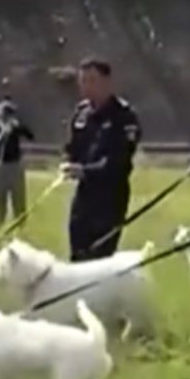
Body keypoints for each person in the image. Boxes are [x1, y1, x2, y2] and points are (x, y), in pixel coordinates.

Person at [60, 58, 141, 261]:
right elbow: (73, 148)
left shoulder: (124, 117)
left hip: (109, 198)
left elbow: (118, 162)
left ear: (107, 82)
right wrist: (68, 162)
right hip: (84, 195)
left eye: (92, 80)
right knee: (77, 254)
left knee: (99, 258)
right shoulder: (81, 114)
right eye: (83, 80)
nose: (86, 86)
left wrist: (85, 171)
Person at [0, 97, 34, 228]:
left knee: (18, 197)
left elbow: (30, 136)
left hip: (15, 165)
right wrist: (2, 134)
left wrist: (19, 127)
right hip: (0, 166)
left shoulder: (15, 127)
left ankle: (20, 224)